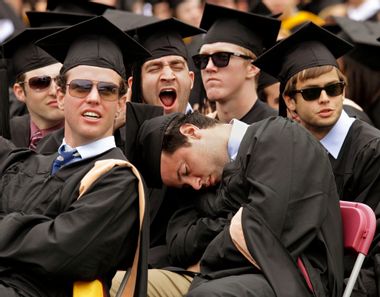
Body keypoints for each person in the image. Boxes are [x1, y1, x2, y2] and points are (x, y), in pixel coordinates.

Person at [0, 15, 151, 297]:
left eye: (106, 90)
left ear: (121, 102)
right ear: (60, 95)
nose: (93, 97)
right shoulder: (32, 163)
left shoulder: (117, 179)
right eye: (81, 86)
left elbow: (64, 252)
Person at [130, 110, 344, 297]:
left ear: (191, 131)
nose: (194, 185)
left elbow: (264, 231)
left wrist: (205, 258)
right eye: (184, 185)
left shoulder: (278, 136)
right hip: (236, 276)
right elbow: (180, 243)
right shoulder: (208, 179)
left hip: (293, 277)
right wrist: (234, 221)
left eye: (185, 170)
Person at [254, 21, 380, 297]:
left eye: (334, 88)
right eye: (311, 92)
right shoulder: (283, 148)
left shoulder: (371, 151)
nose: (325, 99)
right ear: (289, 101)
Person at [194, 3, 279, 124]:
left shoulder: (281, 132)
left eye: (222, 57)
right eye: (203, 59)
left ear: (253, 67)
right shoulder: (197, 134)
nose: (209, 67)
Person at [125, 16, 205, 114]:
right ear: (134, 85)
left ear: (191, 79)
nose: (168, 76)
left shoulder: (210, 129)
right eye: (154, 68)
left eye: (177, 67)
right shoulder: (121, 129)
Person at [1, 26, 64, 149]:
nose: (54, 91)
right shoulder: (7, 136)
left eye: (61, 80)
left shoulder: (86, 138)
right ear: (20, 92)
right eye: (40, 82)